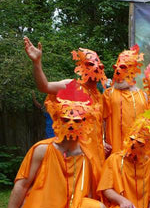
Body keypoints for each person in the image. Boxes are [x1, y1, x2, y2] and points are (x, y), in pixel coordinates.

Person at [0, 81, 109, 208]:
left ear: (85, 124)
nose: (72, 124)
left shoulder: (86, 155)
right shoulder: (42, 149)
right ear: (58, 120)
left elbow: (91, 192)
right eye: (67, 119)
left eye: (78, 120)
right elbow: (22, 184)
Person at [24, 36, 109, 166]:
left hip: (96, 155)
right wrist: (37, 62)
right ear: (82, 68)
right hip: (75, 153)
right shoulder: (71, 86)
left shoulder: (99, 96)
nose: (95, 69)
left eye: (98, 66)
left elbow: (99, 122)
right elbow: (44, 86)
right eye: (90, 65)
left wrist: (103, 141)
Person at [104, 45, 150, 154]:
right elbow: (101, 121)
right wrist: (102, 141)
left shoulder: (144, 96)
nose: (118, 72)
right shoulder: (108, 94)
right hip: (115, 151)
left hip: (140, 152)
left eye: (123, 68)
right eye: (116, 68)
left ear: (133, 71)